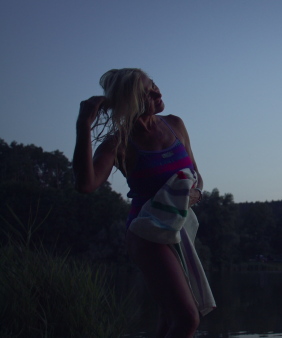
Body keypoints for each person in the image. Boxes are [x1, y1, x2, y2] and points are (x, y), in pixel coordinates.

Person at [73, 68, 204, 338]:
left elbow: (196, 176)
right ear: (130, 101)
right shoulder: (119, 144)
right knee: (187, 319)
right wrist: (83, 126)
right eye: (147, 92)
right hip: (146, 234)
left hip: (178, 230)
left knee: (170, 317)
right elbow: (86, 184)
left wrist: (195, 194)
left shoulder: (175, 124)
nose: (158, 92)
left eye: (154, 84)